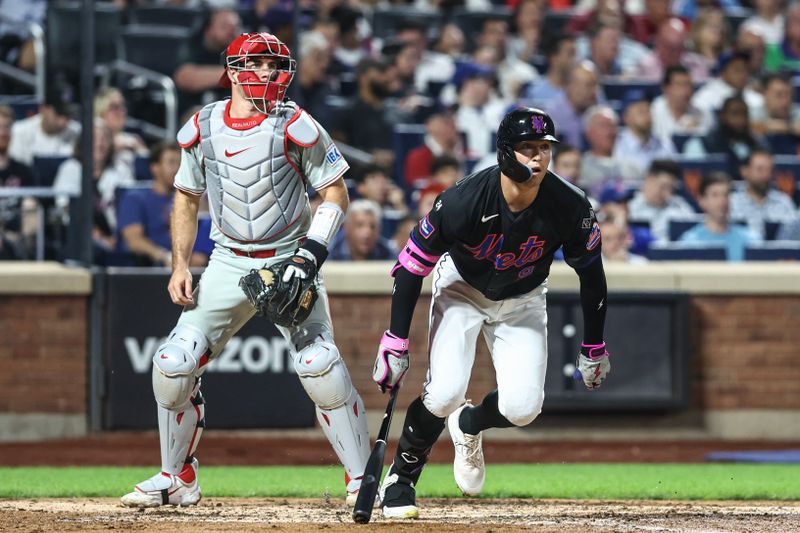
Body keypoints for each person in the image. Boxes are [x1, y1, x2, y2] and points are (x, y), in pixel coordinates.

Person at [120, 33, 370, 509]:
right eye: (258, 64)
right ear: (233, 71)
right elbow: (186, 197)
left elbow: (336, 195)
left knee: (319, 364)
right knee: (172, 365)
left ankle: (361, 478)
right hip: (227, 261)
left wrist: (309, 255)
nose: (270, 74)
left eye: (276, 65)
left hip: (289, 258)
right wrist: (179, 264)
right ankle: (177, 477)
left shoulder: (298, 124)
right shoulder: (203, 125)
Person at [371, 108, 610, 519]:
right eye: (526, 149)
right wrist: (395, 339)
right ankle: (403, 476)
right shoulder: (463, 200)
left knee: (523, 408)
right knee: (444, 391)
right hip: (462, 287)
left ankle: (470, 424)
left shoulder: (570, 205)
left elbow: (592, 274)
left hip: (524, 297)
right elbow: (411, 267)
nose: (537, 159)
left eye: (544, 150)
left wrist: (593, 345)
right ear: (504, 153)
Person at [117, 143, 209, 268]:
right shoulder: (136, 197)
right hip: (151, 267)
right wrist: (161, 255)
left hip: (190, 264)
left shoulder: (188, 198)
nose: (177, 168)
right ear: (155, 168)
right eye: (171, 162)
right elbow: (134, 240)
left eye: (180, 163)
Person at [679, 172, 760, 260]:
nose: (722, 201)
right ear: (702, 201)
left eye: (726, 195)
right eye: (715, 195)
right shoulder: (689, 243)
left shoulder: (750, 240)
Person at [730, 149, 798, 239]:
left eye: (769, 170)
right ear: (744, 171)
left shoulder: (784, 202)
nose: (765, 175)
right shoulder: (731, 203)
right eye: (760, 169)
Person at [627, 159, 696, 242]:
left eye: (671, 188)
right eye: (663, 186)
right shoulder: (629, 207)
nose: (667, 193)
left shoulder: (681, 208)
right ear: (649, 179)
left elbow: (692, 233)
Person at [329, 199, 396, 261]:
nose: (368, 232)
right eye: (360, 225)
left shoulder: (389, 254)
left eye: (372, 227)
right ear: (346, 227)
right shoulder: (329, 254)